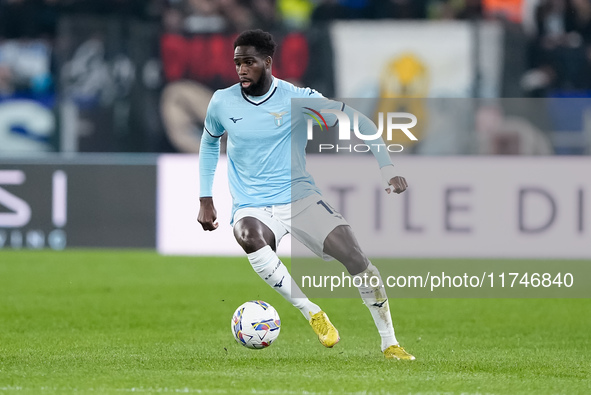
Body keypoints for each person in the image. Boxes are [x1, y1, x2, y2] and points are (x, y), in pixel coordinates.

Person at [197, 29, 415, 360]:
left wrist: (387, 167)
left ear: (268, 62)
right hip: (252, 204)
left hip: (299, 197)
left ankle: (390, 343)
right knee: (247, 234)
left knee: (357, 260)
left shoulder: (297, 99)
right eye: (237, 62)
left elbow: (358, 121)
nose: (241, 69)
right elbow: (210, 141)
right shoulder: (222, 101)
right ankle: (311, 311)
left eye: (249, 63)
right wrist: (205, 198)